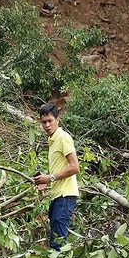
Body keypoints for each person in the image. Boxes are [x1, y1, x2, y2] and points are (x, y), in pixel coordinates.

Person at [33, 103, 80, 249]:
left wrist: (50, 178)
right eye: (44, 122)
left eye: (50, 121)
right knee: (55, 240)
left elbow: (74, 167)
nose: (47, 125)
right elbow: (61, 169)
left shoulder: (63, 138)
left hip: (65, 197)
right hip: (58, 196)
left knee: (58, 243)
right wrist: (47, 182)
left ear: (57, 120)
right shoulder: (52, 141)